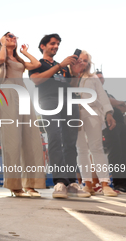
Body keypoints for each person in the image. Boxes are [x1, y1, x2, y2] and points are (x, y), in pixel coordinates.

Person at [29, 34, 90, 198]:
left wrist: (75, 73)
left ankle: (71, 182)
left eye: (57, 44)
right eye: (52, 43)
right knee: (55, 138)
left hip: (69, 103)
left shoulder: (63, 67)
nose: (55, 46)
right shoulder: (37, 63)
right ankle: (60, 182)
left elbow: (71, 86)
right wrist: (60, 66)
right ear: (43, 46)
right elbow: (36, 80)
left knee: (70, 142)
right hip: (49, 102)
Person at [0, 32, 45, 197]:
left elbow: (36, 64)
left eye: (14, 36)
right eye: (8, 36)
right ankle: (15, 186)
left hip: (23, 94)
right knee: (12, 139)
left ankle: (31, 184)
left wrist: (24, 52)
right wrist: (2, 45)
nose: (12, 38)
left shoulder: (20, 60)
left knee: (32, 137)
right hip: (8, 93)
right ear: (2, 39)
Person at [71, 51, 117, 196]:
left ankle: (105, 184)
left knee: (96, 148)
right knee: (81, 150)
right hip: (75, 114)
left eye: (85, 61)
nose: (82, 63)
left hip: (93, 113)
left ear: (89, 64)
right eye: (80, 60)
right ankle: (87, 184)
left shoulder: (93, 78)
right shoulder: (69, 78)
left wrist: (109, 113)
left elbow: (103, 96)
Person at [97, 71, 126, 193]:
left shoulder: (108, 93)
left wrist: (119, 104)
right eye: (97, 77)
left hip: (121, 123)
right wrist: (120, 102)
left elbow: (122, 108)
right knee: (115, 153)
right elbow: (109, 102)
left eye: (101, 77)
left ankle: (123, 182)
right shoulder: (98, 92)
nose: (100, 79)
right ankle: (118, 182)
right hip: (109, 125)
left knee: (123, 153)